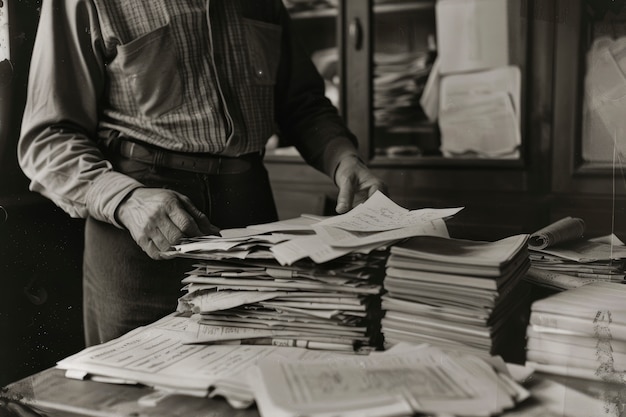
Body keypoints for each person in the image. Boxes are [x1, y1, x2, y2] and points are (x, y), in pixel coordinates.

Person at [18, 0, 386, 346]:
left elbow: (301, 102)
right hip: (141, 227)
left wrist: (342, 158)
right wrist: (127, 200)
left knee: (255, 379)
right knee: (136, 401)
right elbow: (47, 138)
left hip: (250, 217)